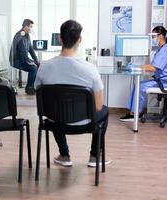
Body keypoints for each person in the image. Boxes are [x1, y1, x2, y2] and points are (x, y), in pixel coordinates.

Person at [35, 20, 111, 167]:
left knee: (56, 107)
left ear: (59, 39)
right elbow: (98, 105)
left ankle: (64, 155)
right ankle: (95, 156)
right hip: (85, 124)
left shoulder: (44, 67)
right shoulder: (90, 69)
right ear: (80, 40)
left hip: (55, 123)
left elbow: (39, 95)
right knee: (105, 111)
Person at [119, 26, 167, 122]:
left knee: (140, 86)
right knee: (139, 85)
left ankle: (135, 114)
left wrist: (137, 67)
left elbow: (153, 68)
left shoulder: (165, 50)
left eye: (153, 36)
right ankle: (134, 112)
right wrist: (140, 66)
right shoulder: (162, 49)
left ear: (160, 36)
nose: (152, 39)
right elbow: (154, 66)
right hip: (164, 80)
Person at [10, 19, 39, 95]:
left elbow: (31, 49)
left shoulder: (27, 35)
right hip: (16, 60)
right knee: (33, 68)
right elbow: (23, 52)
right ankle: (29, 88)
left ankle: (34, 86)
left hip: (23, 58)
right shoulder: (19, 35)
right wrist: (30, 61)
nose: (31, 28)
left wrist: (36, 60)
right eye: (30, 27)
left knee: (38, 65)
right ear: (25, 26)